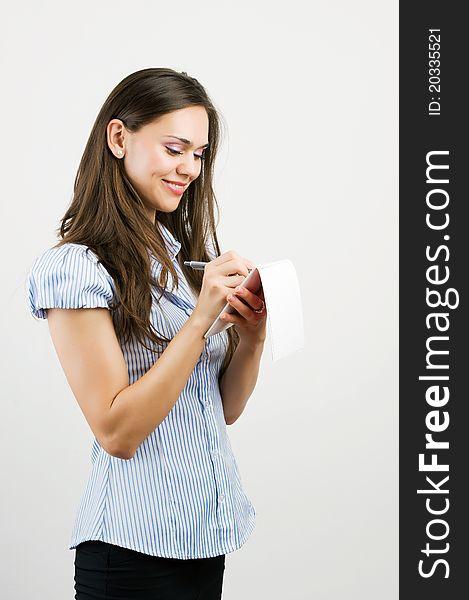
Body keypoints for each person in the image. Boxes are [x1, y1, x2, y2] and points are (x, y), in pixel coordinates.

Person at [26, 67, 267, 600]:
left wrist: (249, 337)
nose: (190, 169)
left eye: (199, 154)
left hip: (205, 539)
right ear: (119, 137)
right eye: (175, 148)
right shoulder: (76, 268)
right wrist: (201, 322)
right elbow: (116, 430)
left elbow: (219, 408)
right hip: (132, 553)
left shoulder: (177, 263)